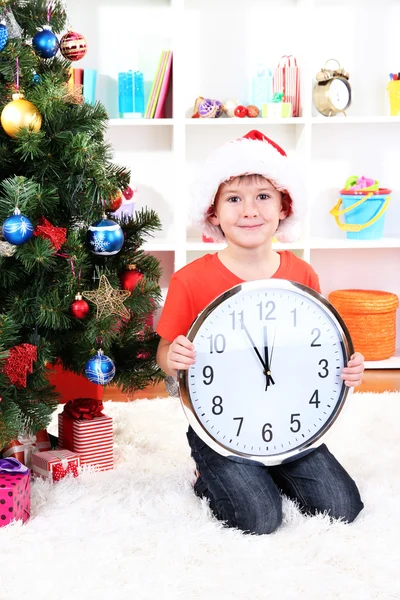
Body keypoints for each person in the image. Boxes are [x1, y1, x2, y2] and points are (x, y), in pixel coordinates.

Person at [156, 130, 365, 535]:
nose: (249, 210)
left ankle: (274, 468)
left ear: (283, 207)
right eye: (234, 198)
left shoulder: (302, 274)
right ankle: (210, 474)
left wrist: (347, 366)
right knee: (259, 519)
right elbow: (165, 351)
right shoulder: (190, 280)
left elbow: (314, 346)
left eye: (263, 196)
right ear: (213, 213)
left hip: (290, 420)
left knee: (342, 506)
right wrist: (174, 356)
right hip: (221, 426)